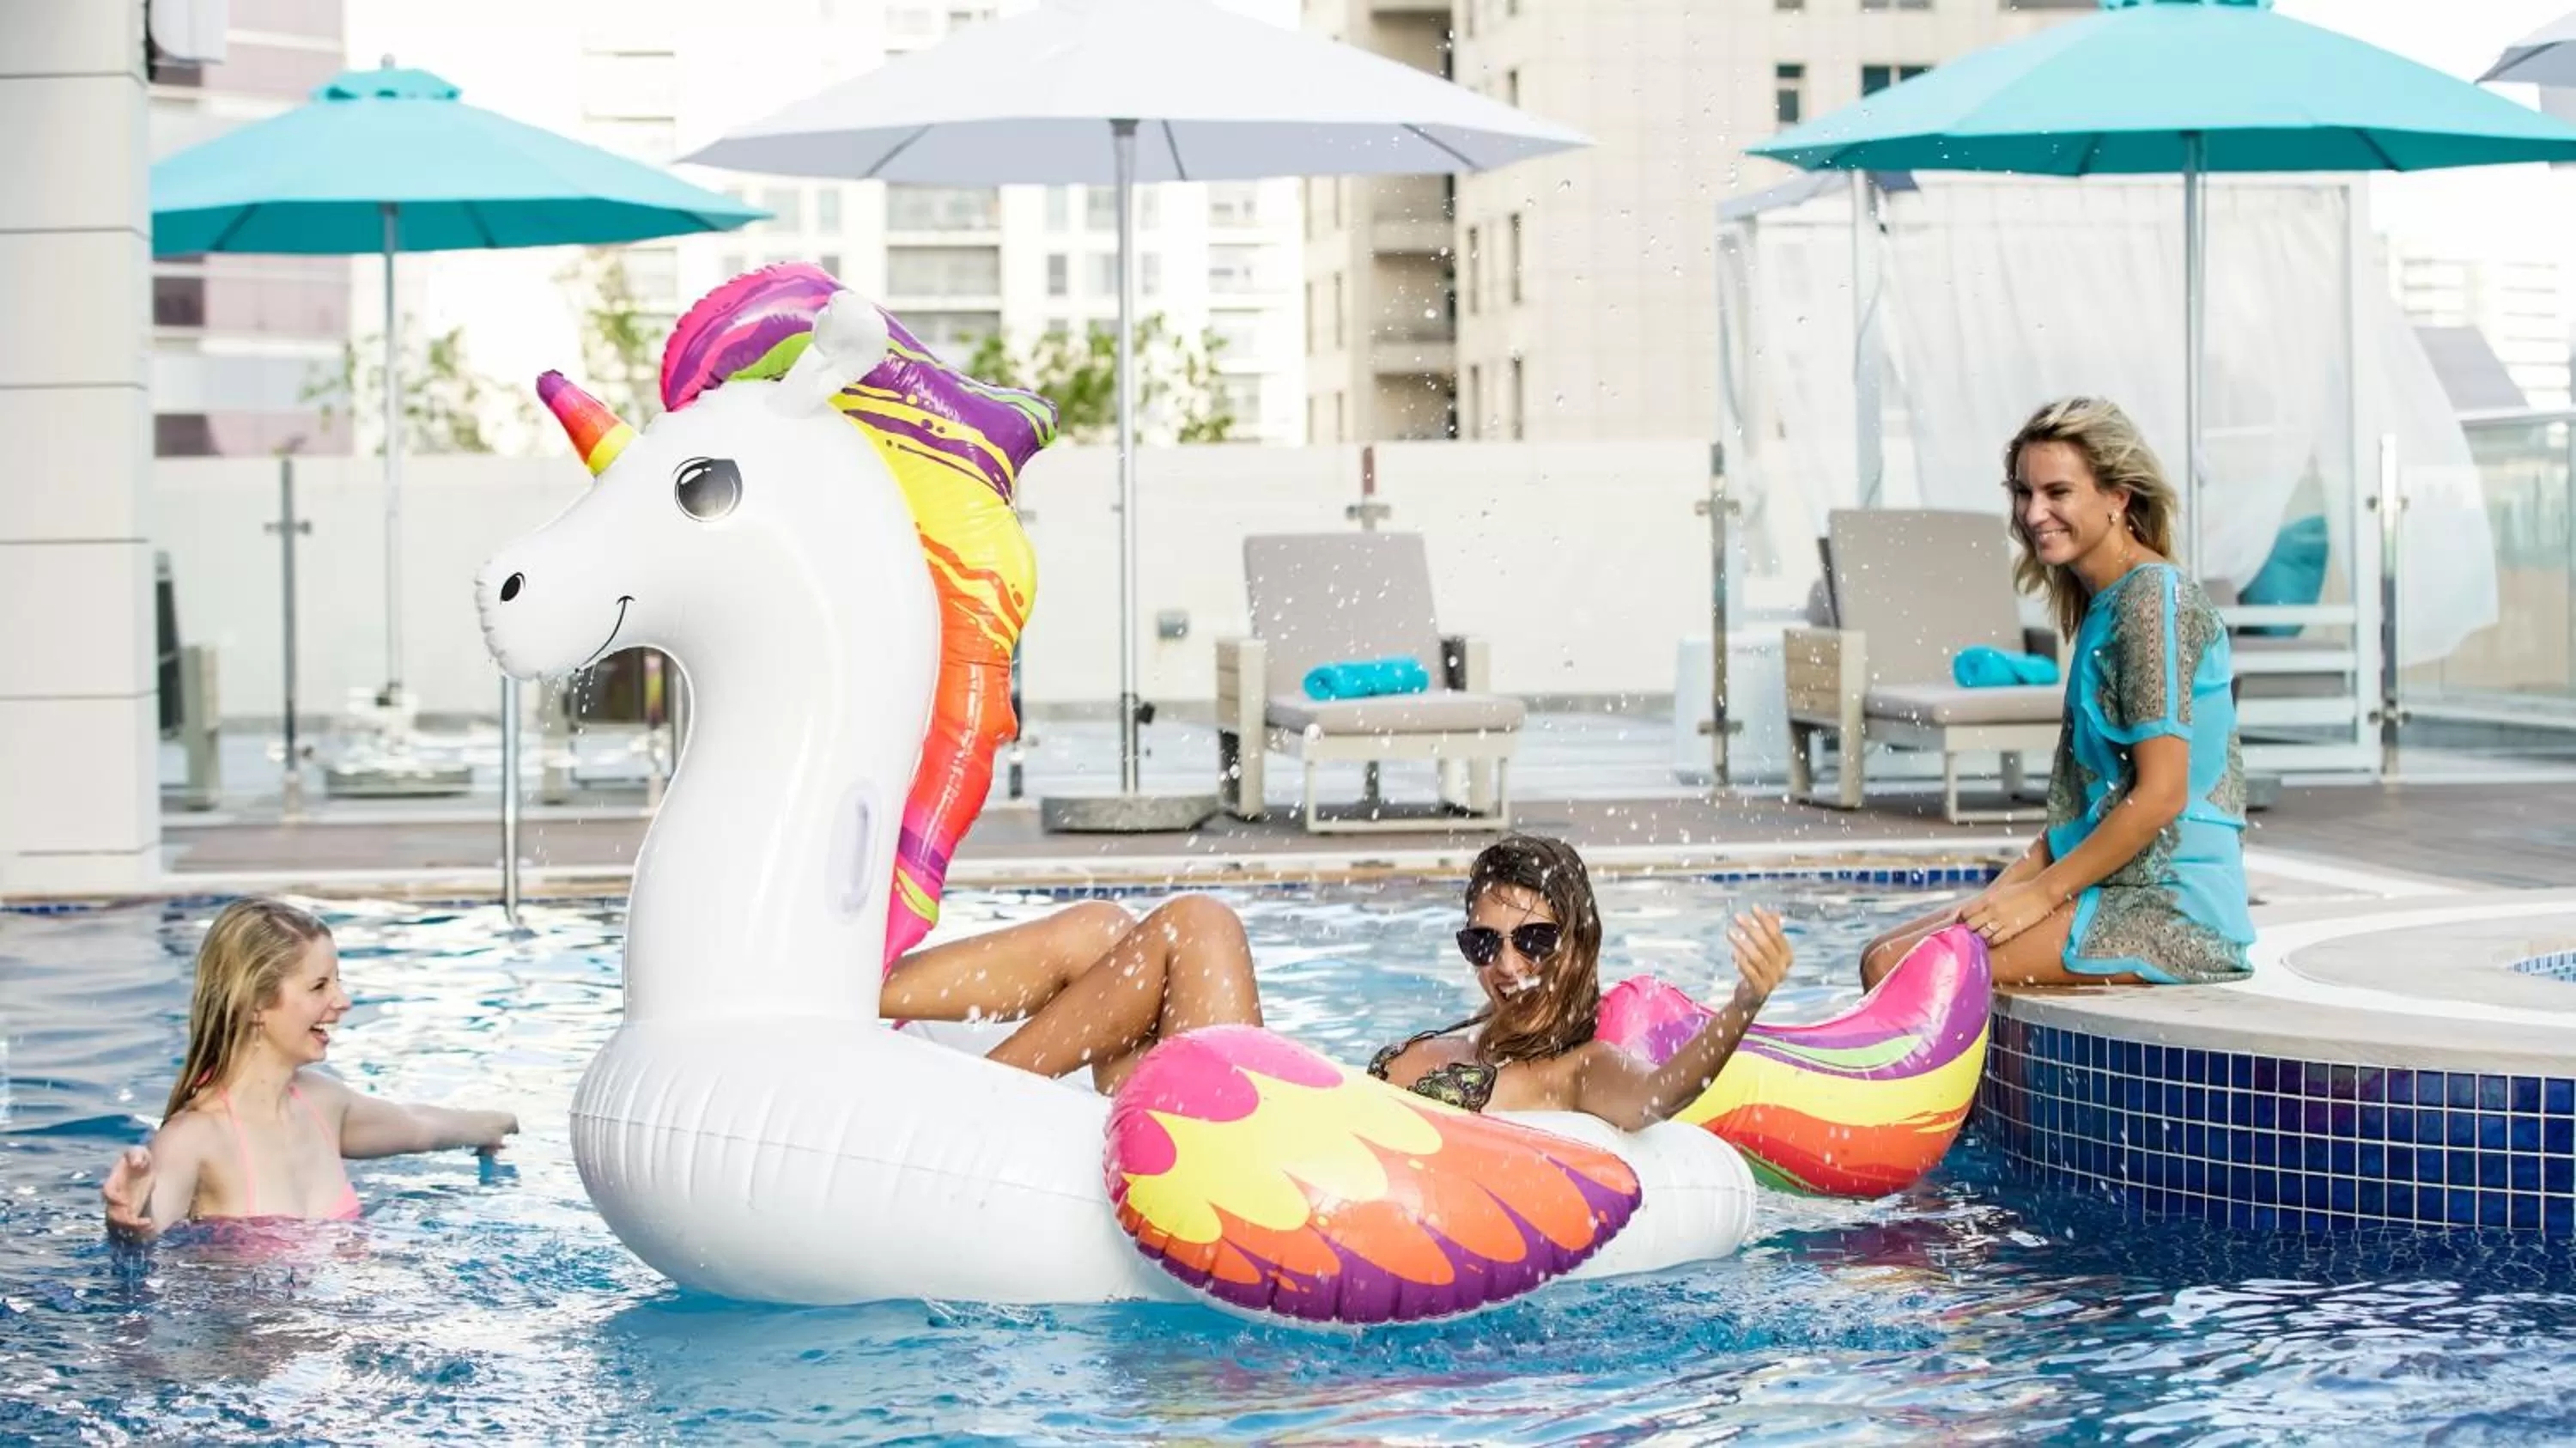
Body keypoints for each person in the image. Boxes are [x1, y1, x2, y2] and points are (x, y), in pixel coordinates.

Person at [882, 834, 1794, 1132]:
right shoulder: (1472, 1033)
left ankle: (966, 1107)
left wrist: (1744, 1003)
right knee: (1105, 930)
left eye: (1535, 940)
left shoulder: (1577, 1068)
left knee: (1203, 926)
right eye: (1485, 941)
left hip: (1264, 1150)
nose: (1508, 966)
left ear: (1581, 942)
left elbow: (1654, 1097)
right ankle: (851, 982)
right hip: (1260, 1115)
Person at [1861, 396, 2256, 991]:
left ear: (2117, 496)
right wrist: (1997, 899)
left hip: (2172, 907)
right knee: (1881, 954)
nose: (2034, 512)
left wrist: (2038, 897)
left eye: (2057, 492)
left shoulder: (2153, 603)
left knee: (1905, 972)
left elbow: (2162, 795)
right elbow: (2084, 812)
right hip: (2113, 884)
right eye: (2024, 493)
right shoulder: (2105, 606)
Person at [101, 898, 519, 1240]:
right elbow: (147, 1234)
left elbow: (418, 1126)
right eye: (320, 986)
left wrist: (490, 1125)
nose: (343, 1001)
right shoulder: (194, 1137)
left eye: (337, 981)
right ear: (255, 1006)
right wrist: (125, 1224)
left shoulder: (321, 1101)